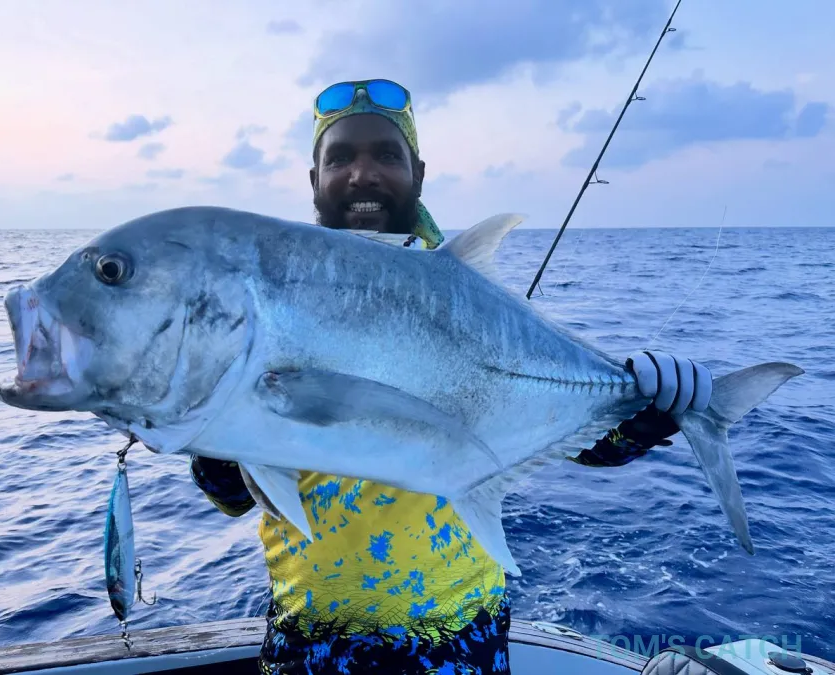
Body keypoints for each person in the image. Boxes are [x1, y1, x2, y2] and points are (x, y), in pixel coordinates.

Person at [190, 79, 712, 674]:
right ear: (314, 179)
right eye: (340, 158)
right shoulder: (270, 307)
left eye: (387, 155)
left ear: (417, 173)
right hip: (308, 644)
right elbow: (229, 495)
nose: (363, 174)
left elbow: (586, 447)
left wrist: (645, 410)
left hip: (460, 641)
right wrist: (196, 406)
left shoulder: (472, 304)